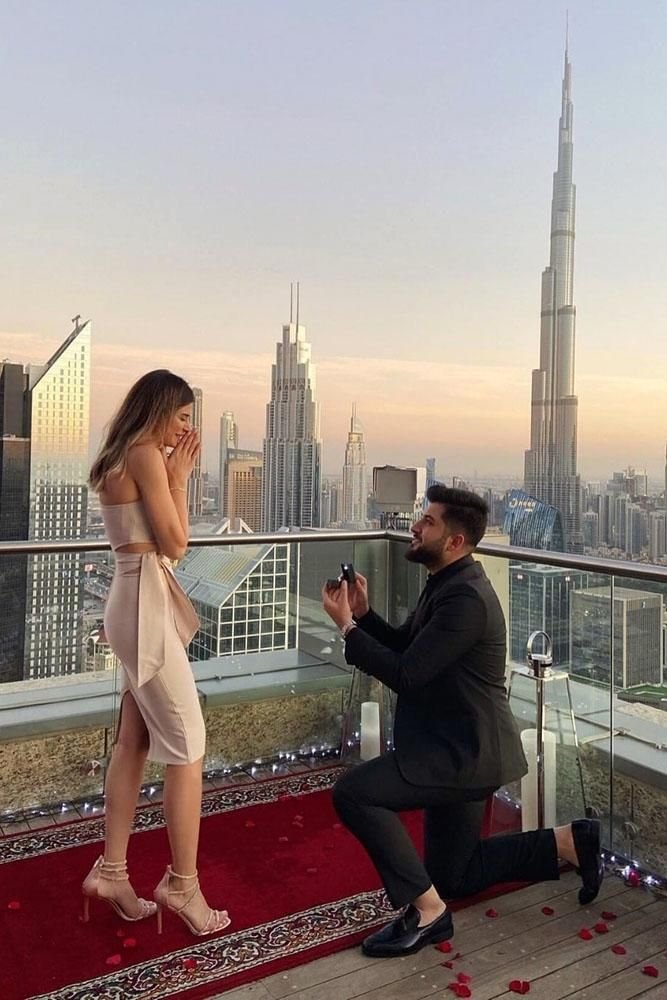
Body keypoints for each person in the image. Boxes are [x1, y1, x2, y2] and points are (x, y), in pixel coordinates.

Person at [322, 485, 602, 958]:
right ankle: (571, 841)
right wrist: (365, 617)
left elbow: (407, 675)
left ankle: (428, 913)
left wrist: (347, 628)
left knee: (354, 792)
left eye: (427, 522)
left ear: (454, 541)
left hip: (462, 755)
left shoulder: (465, 600)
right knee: (456, 875)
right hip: (459, 746)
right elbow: (408, 650)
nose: (415, 526)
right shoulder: (447, 584)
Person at [82, 370, 229, 937]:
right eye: (185, 416)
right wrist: (180, 477)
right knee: (187, 745)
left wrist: (171, 477)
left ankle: (113, 872)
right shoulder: (145, 453)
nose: (189, 429)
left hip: (134, 599)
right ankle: (182, 885)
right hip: (143, 602)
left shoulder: (124, 451)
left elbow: (166, 542)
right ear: (160, 409)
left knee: (134, 740)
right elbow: (177, 543)